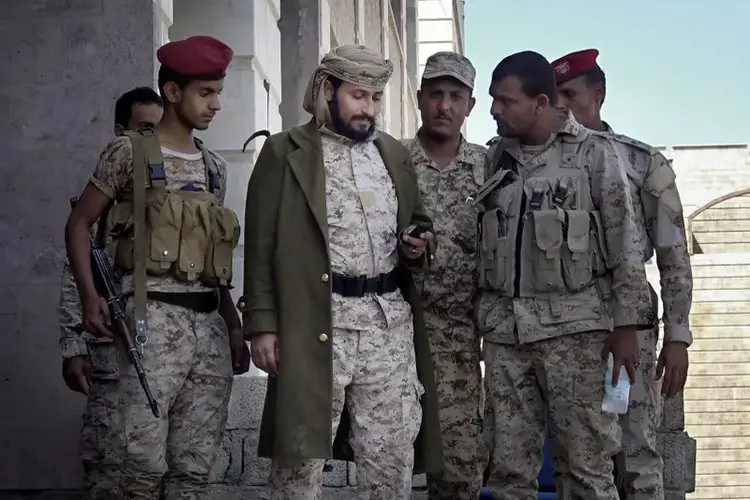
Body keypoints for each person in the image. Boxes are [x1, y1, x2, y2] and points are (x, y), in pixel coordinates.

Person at [238, 43, 443, 500]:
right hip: (314, 324)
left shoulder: (393, 153)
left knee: (391, 460)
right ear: (326, 90)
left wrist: (418, 245)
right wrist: (263, 325)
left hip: (387, 328)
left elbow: (420, 222)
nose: (368, 109)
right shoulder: (284, 151)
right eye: (357, 96)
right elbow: (261, 245)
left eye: (375, 98)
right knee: (300, 463)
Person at [65, 35, 249, 499]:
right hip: (151, 323)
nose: (216, 104)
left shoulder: (213, 166)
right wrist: (89, 299)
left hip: (207, 328)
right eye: (205, 92)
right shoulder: (128, 152)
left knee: (194, 469)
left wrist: (232, 324)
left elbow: (211, 258)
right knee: (139, 468)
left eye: (219, 92)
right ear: (172, 92)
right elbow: (80, 224)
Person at [476, 50, 653, 499]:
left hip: (575, 338)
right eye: (493, 100)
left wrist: (626, 327)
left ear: (541, 103)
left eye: (504, 100)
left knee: (586, 471)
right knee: (508, 473)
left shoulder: (595, 156)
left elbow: (625, 245)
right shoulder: (496, 157)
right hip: (507, 340)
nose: (494, 110)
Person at [552, 48, 693, 500]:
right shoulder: (544, 165)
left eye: (570, 94)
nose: (561, 105)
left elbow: (673, 254)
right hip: (568, 331)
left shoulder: (641, 162)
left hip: (628, 330)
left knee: (636, 454)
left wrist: (678, 336)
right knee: (576, 456)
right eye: (554, 96)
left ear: (598, 95)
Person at [59, 86, 163, 499]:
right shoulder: (107, 190)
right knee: (110, 462)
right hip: (108, 343)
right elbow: (77, 267)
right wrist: (72, 345)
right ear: (121, 131)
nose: (150, 141)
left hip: (155, 342)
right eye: (142, 129)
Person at [402, 51, 487, 500]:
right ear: (419, 99)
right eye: (436, 94)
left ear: (470, 105)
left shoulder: (490, 168)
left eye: (456, 96)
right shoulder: (393, 162)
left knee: (458, 471)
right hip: (398, 333)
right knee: (388, 463)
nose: (445, 106)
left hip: (460, 339)